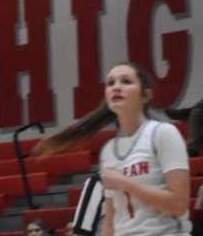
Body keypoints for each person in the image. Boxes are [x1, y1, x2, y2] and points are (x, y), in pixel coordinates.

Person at [34, 62, 190, 236]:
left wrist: (125, 184)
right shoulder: (108, 151)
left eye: (126, 81)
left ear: (145, 96)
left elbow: (178, 204)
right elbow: (111, 222)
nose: (116, 87)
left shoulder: (163, 134)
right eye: (110, 83)